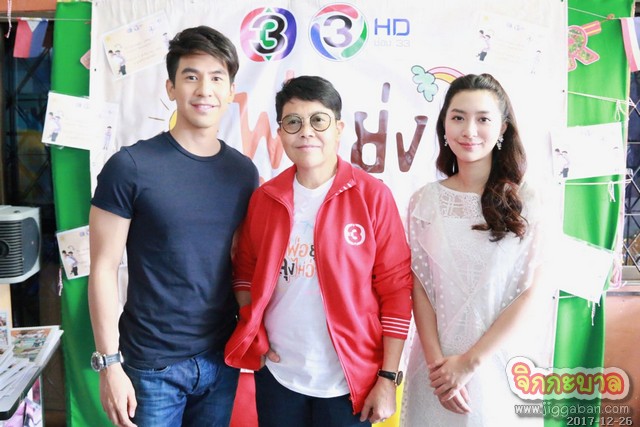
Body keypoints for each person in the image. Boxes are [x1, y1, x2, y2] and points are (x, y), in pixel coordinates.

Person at [88, 26, 259, 427]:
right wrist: (109, 364)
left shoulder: (243, 173)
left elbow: (243, 264)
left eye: (216, 78)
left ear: (231, 91)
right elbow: (103, 268)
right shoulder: (130, 166)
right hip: (152, 366)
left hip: (221, 359)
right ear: (171, 87)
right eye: (191, 76)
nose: (205, 90)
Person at [224, 75, 413, 426]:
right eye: (293, 122)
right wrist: (255, 332)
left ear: (339, 128)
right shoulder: (265, 199)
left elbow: (396, 289)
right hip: (277, 375)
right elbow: (244, 272)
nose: (306, 132)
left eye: (318, 120)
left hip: (349, 381)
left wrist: (388, 377)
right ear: (280, 133)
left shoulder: (372, 197)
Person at [401, 73, 549, 425]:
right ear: (444, 125)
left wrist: (469, 363)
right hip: (436, 372)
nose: (469, 130)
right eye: (458, 117)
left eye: (483, 119)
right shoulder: (424, 201)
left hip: (500, 365)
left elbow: (531, 293)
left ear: (502, 128)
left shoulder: (528, 201)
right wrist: (439, 368)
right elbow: (420, 287)